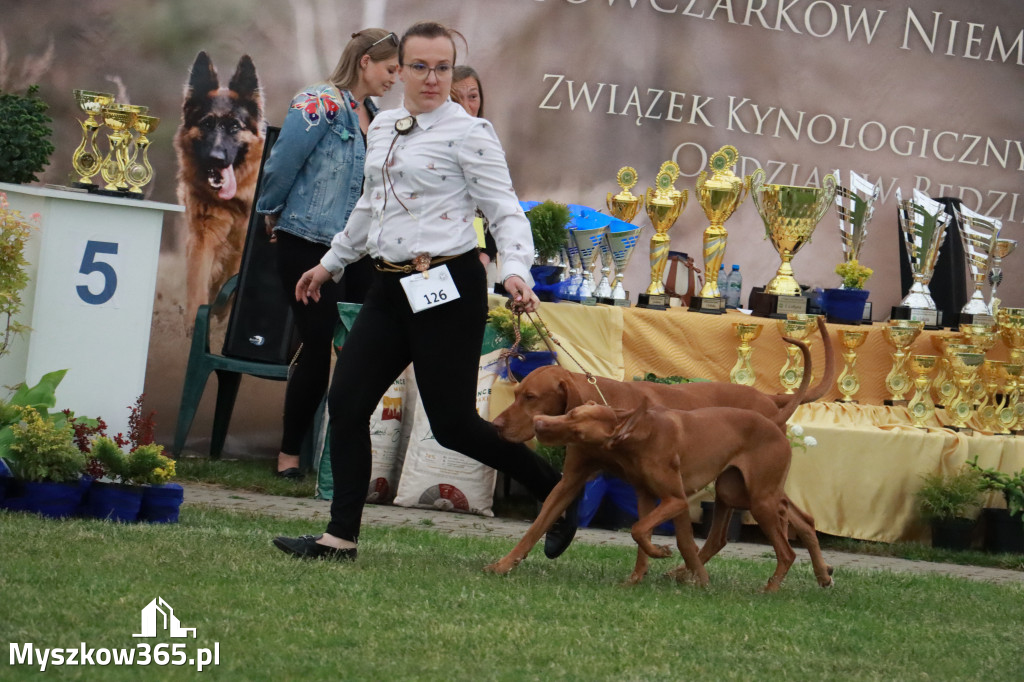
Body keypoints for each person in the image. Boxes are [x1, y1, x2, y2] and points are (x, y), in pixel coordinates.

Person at [272, 21, 577, 561]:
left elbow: (505, 212)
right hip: (390, 289)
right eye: (419, 66)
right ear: (402, 69)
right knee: (345, 404)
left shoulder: (470, 134)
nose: (432, 78)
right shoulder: (385, 125)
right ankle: (340, 537)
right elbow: (370, 207)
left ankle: (554, 491)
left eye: (442, 67)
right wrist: (328, 265)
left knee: (454, 425)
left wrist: (515, 272)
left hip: (448, 289)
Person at [255, 29, 399, 478]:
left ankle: (338, 457)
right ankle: (289, 453)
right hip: (305, 241)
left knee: (358, 350)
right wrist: (271, 211)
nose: (395, 78)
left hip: (355, 252)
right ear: (365, 63)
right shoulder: (317, 102)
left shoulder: (375, 115)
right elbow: (282, 161)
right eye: (390, 69)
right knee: (316, 344)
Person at [450, 65, 497, 269]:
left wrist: (484, 258)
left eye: (473, 97)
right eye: (456, 99)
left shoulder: (487, 145)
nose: (466, 106)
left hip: (477, 260)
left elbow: (498, 205)